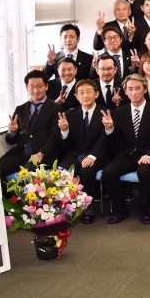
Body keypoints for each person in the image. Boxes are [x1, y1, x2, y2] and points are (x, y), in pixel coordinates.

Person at [99, 74, 150, 224]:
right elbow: (115, 139)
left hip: (149, 154)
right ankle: (120, 210)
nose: (134, 92)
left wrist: (149, 155)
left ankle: (144, 210)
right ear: (125, 91)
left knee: (145, 172)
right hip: (127, 155)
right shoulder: (119, 112)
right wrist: (110, 128)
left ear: (145, 90)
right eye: (130, 89)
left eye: (137, 88)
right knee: (109, 172)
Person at [54, 79, 105, 224]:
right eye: (81, 93)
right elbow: (65, 144)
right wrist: (64, 130)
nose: (85, 95)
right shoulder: (69, 114)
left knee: (86, 171)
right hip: (76, 154)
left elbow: (105, 140)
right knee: (62, 170)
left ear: (96, 94)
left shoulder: (105, 113)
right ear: (76, 96)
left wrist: (92, 156)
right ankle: (65, 206)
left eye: (89, 92)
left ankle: (88, 206)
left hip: (97, 154)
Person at [0, 71, 62, 180]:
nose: (35, 90)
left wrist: (42, 153)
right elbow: (10, 141)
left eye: (39, 86)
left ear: (46, 86)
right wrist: (12, 132)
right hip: (21, 153)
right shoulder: (20, 109)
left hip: (43, 154)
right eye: (31, 86)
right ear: (26, 87)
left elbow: (54, 137)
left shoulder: (56, 108)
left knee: (25, 176)